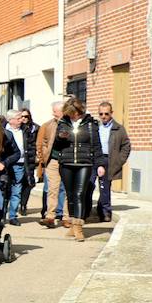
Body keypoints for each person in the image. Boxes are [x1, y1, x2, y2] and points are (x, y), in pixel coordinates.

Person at [50, 97, 104, 242]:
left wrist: (100, 164)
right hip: (66, 162)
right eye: (70, 114)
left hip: (84, 163)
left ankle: (79, 227)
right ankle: (73, 225)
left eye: (75, 113)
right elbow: (56, 145)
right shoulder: (63, 123)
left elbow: (97, 145)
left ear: (80, 111)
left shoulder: (91, 124)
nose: (73, 116)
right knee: (70, 195)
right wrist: (60, 138)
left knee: (80, 194)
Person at [95, 102, 132, 222]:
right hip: (94, 159)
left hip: (108, 159)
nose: (103, 116)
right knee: (89, 185)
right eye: (101, 114)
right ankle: (87, 211)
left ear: (111, 113)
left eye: (106, 113)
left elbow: (126, 145)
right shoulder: (95, 127)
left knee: (104, 187)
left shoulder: (119, 128)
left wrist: (119, 160)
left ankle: (106, 212)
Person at [36, 98, 67, 228]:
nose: (53, 114)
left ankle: (66, 217)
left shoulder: (70, 124)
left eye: (55, 111)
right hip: (52, 161)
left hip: (66, 161)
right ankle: (50, 216)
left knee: (66, 189)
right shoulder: (48, 125)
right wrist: (43, 156)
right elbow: (42, 142)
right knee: (52, 189)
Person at [4, 109, 35, 224]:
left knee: (16, 190)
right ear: (10, 120)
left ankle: (13, 216)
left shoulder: (25, 130)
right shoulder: (3, 130)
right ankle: (1, 215)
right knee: (4, 191)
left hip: (20, 164)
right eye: (18, 118)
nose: (21, 120)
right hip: (5, 164)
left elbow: (31, 147)